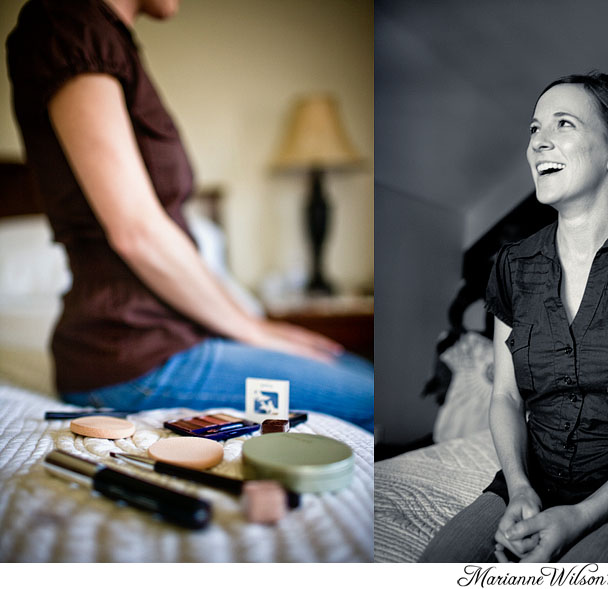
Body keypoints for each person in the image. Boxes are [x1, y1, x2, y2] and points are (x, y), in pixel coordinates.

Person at [6, 0, 373, 432]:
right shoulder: (68, 21)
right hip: (131, 356)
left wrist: (255, 325)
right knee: (370, 398)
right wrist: (254, 330)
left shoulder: (103, 37)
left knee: (351, 368)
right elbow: (137, 233)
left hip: (172, 338)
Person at [419, 72, 608, 562]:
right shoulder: (512, 266)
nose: (539, 142)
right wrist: (518, 488)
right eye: (535, 129)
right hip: (532, 481)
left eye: (563, 124)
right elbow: (506, 394)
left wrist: (583, 514)